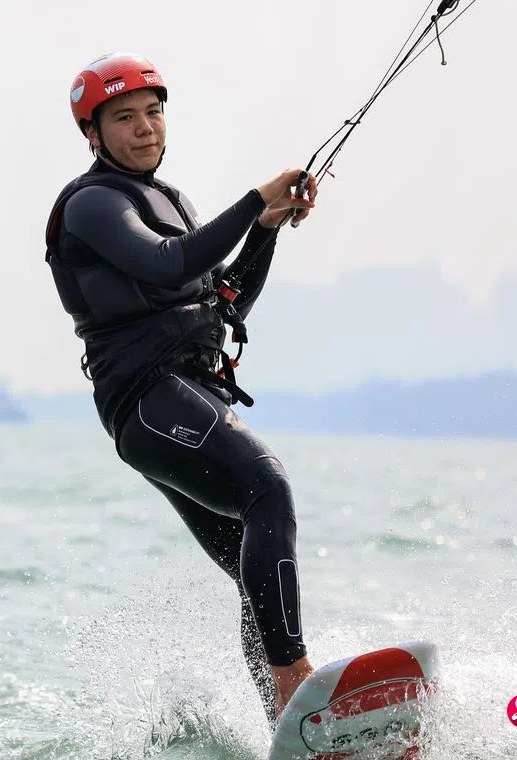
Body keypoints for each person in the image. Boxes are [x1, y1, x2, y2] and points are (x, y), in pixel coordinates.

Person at [44, 52, 319, 725]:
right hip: (147, 401)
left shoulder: (170, 200)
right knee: (268, 487)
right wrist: (254, 199)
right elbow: (168, 264)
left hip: (188, 393)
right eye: (125, 118)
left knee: (253, 570)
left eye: (153, 112)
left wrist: (265, 229)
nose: (145, 128)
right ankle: (298, 683)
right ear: (92, 133)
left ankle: (287, 728)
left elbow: (224, 303)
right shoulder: (92, 204)